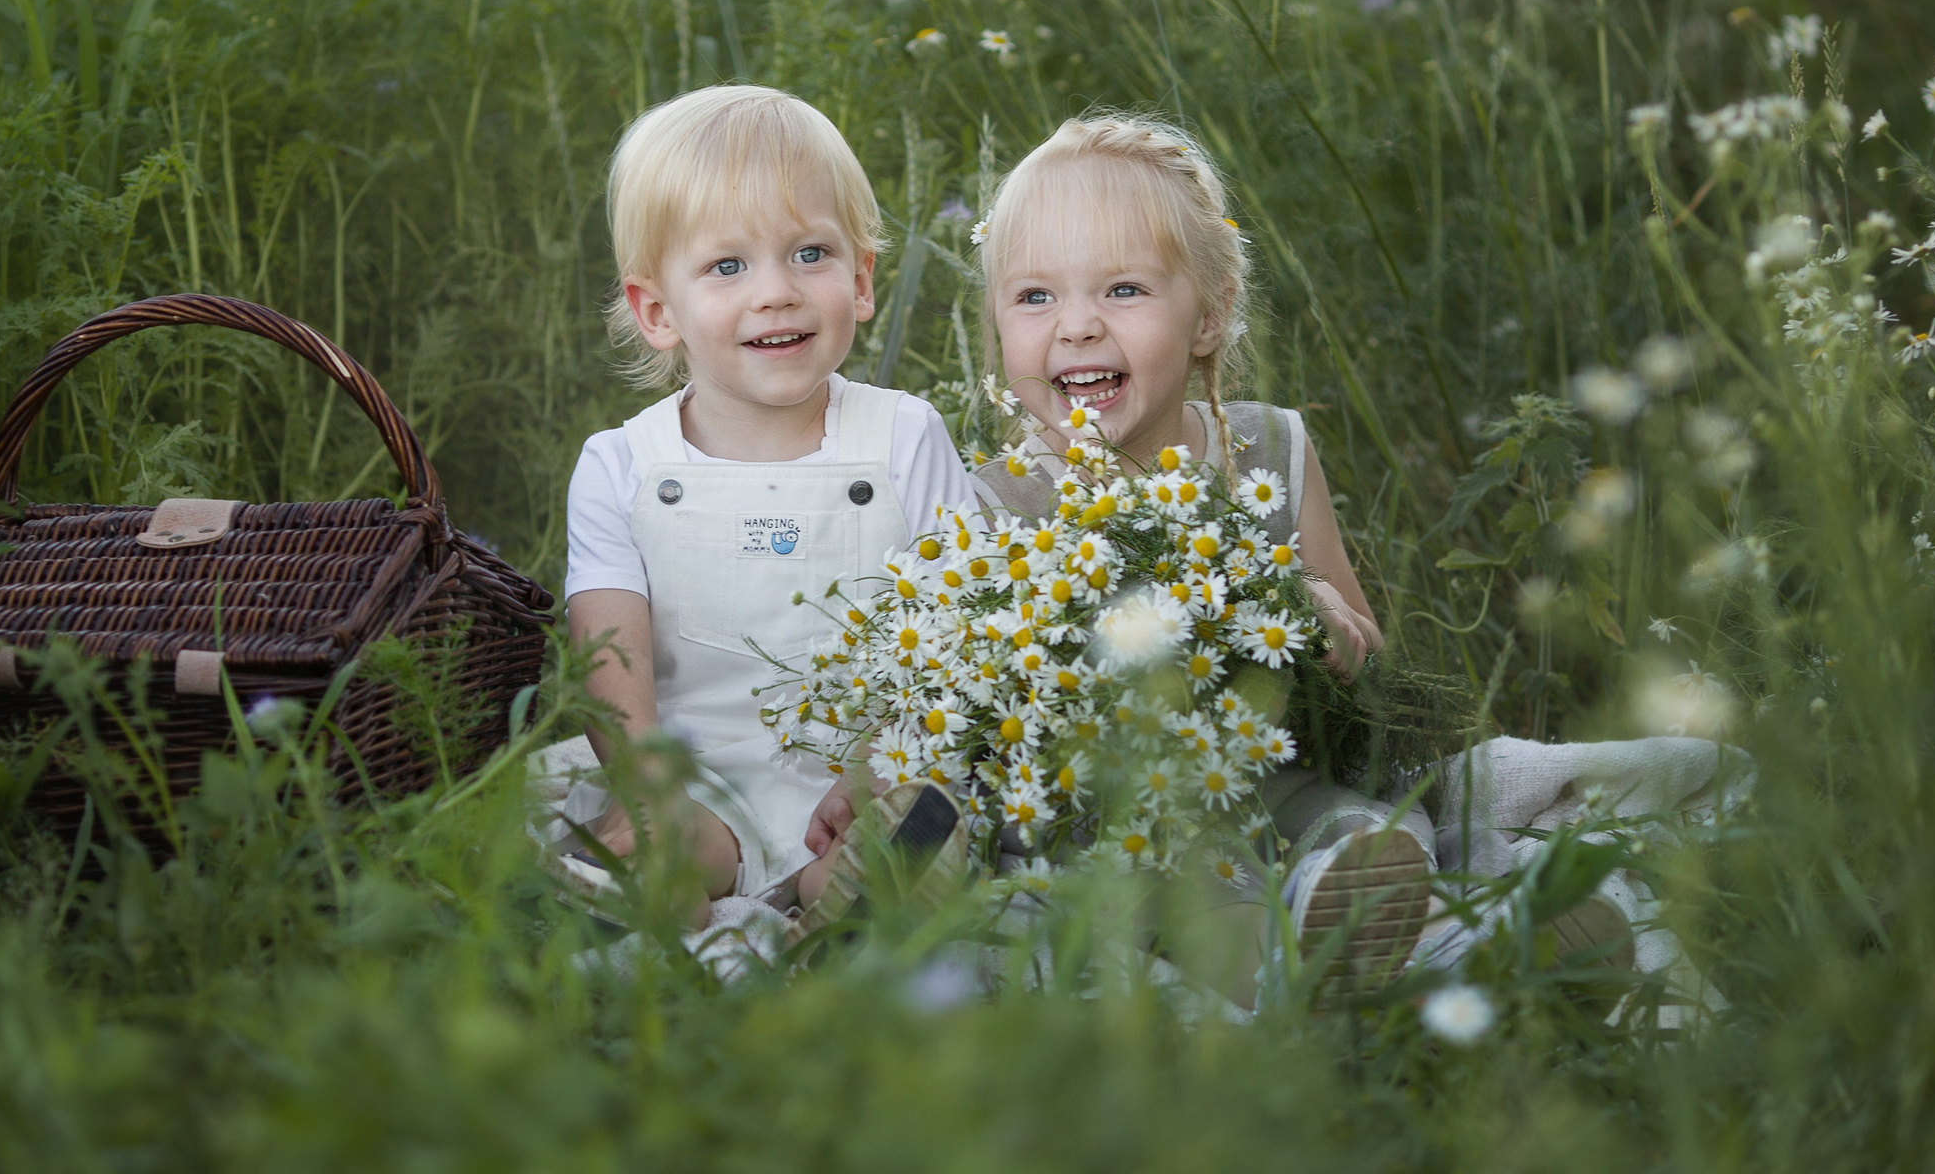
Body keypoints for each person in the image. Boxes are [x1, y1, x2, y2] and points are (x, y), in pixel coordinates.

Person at [948, 111, 1434, 1001]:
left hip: (1277, 772)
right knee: (1185, 874)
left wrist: (1316, 602)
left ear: (1209, 316)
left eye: (1124, 289)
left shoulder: (1269, 451)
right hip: (1123, 811)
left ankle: (1363, 904)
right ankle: (1299, 980)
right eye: (1035, 297)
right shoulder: (998, 505)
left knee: (1372, 822)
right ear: (999, 324)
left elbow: (1365, 654)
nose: (1078, 326)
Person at [560, 85, 976, 928]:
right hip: (693, 780)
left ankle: (849, 910)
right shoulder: (623, 466)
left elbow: (957, 629)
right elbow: (610, 655)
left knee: (926, 838)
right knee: (659, 843)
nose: (777, 291)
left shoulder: (904, 437)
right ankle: (656, 893)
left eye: (810, 254)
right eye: (727, 266)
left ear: (860, 281)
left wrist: (880, 767)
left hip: (876, 773)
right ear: (657, 311)